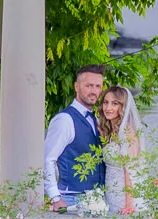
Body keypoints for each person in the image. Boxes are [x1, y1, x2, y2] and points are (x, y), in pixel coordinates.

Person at [43, 64, 109, 211]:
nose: (94, 91)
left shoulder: (96, 120)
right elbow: (47, 159)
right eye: (89, 86)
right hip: (70, 198)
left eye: (98, 86)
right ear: (76, 86)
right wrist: (55, 198)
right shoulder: (65, 120)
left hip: (96, 198)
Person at [98, 85, 143, 215]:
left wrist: (129, 204)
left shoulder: (127, 132)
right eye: (106, 103)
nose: (108, 108)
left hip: (123, 195)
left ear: (122, 107)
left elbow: (129, 169)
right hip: (110, 191)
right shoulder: (110, 132)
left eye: (114, 103)